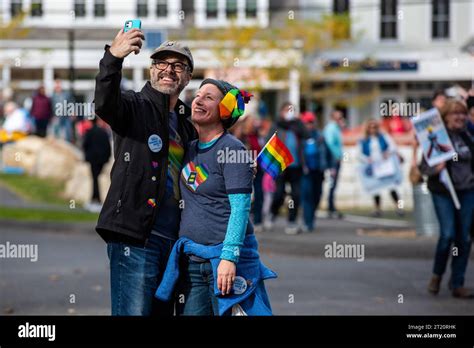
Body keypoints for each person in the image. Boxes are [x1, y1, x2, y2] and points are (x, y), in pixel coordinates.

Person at [94, 29, 197, 315]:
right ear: (152, 70)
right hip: (137, 239)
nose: (168, 70)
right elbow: (104, 102)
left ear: (187, 77)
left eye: (178, 66)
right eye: (161, 63)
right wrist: (113, 58)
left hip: (175, 245)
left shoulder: (188, 124)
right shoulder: (133, 107)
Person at [155, 79, 276, 315]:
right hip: (192, 263)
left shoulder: (232, 149)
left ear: (225, 109)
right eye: (198, 95)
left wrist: (229, 258)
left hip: (225, 265)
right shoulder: (188, 148)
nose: (198, 99)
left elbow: (240, 209)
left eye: (208, 97)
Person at [421, 100, 474, 299]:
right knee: (448, 234)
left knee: (464, 237)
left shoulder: (468, 136)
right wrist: (437, 169)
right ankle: (437, 274)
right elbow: (423, 168)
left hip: (467, 190)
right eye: (455, 114)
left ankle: (457, 283)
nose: (460, 117)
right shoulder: (435, 136)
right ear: (445, 117)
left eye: (462, 113)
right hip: (443, 192)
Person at [269, 102, 307, 234]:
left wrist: (298, 122)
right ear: (281, 112)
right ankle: (272, 213)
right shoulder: (277, 125)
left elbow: (306, 136)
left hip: (296, 166)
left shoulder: (298, 125)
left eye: (292, 110)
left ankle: (292, 221)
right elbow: (269, 143)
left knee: (295, 195)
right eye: (287, 110)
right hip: (281, 166)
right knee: (279, 193)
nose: (289, 112)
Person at [358, 119, 403, 217]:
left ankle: (399, 207)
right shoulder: (364, 140)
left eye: (375, 127)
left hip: (386, 166)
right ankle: (377, 209)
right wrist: (367, 159)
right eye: (371, 127)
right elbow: (360, 154)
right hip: (373, 167)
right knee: (375, 189)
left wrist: (388, 152)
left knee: (392, 188)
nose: (373, 129)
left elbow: (393, 147)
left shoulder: (384, 136)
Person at [300, 112, 328, 232]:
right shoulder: (300, 137)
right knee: (307, 196)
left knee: (317, 195)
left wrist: (330, 167)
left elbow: (327, 152)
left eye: (311, 122)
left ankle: (311, 217)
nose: (309, 125)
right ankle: (308, 221)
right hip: (305, 172)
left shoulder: (320, 136)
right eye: (307, 122)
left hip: (318, 170)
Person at [82, 117, 111, 213]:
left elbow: (85, 144)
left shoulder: (89, 132)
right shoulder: (103, 132)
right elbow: (107, 146)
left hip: (93, 159)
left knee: (95, 179)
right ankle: (95, 198)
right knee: (96, 178)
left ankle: (96, 199)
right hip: (102, 159)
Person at [323, 109, 345, 219]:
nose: (341, 119)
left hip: (334, 159)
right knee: (332, 184)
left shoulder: (336, 128)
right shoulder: (331, 128)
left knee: (333, 184)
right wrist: (336, 156)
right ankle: (331, 208)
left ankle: (331, 207)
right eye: (339, 117)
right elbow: (330, 144)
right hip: (332, 160)